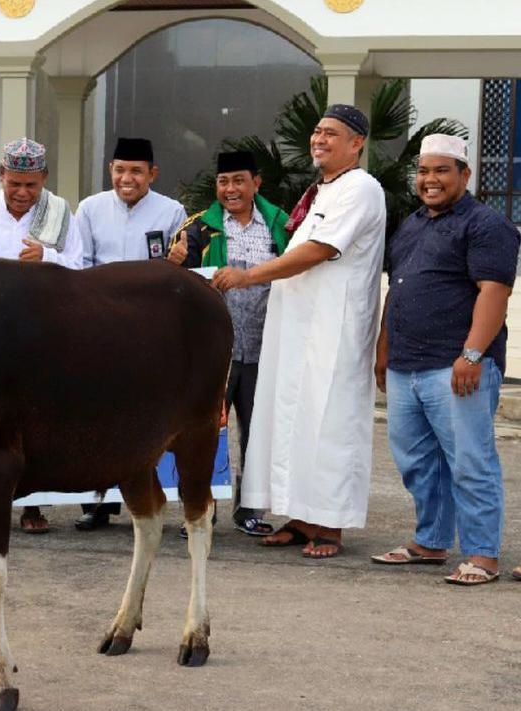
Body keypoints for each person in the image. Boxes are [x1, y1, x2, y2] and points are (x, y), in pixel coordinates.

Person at [213, 104, 386, 559]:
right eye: (316, 132)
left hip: (335, 328)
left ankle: (330, 526)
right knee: (294, 420)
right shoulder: (321, 190)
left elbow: (317, 250)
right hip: (298, 329)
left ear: (356, 144)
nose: (319, 140)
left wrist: (249, 276)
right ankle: (302, 518)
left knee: (329, 422)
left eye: (331, 133)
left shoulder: (361, 188)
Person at [370, 134, 518, 585]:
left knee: (471, 461)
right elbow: (398, 289)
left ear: (464, 175)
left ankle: (482, 554)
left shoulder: (486, 224)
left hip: (457, 366)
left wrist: (472, 354)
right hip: (405, 366)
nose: (430, 180)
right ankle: (430, 542)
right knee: (416, 460)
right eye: (424, 171)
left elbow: (494, 292)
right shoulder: (412, 224)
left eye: (441, 171)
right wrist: (383, 350)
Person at [0, 137, 83, 533]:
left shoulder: (58, 211)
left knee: (34, 420)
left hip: (39, 333)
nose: (22, 193)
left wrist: (47, 257)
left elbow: (80, 265)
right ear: (1, 175)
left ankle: (33, 506)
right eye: (15, 183)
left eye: (31, 185)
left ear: (44, 179)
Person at [170, 150, 290, 537]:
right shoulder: (196, 229)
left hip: (265, 349)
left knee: (258, 432)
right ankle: (202, 511)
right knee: (205, 434)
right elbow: (169, 283)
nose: (230, 189)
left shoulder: (280, 225)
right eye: (224, 182)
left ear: (256, 183)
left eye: (239, 181)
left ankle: (250, 510)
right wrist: (174, 262)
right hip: (211, 354)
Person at [72, 136, 186, 530]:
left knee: (143, 414)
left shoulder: (172, 212)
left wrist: (177, 263)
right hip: (99, 326)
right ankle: (97, 503)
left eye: (136, 171)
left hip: (147, 330)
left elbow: (177, 273)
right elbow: (81, 264)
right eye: (120, 170)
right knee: (97, 413)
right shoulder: (89, 209)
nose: (127, 178)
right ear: (111, 171)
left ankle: (146, 498)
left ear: (152, 173)